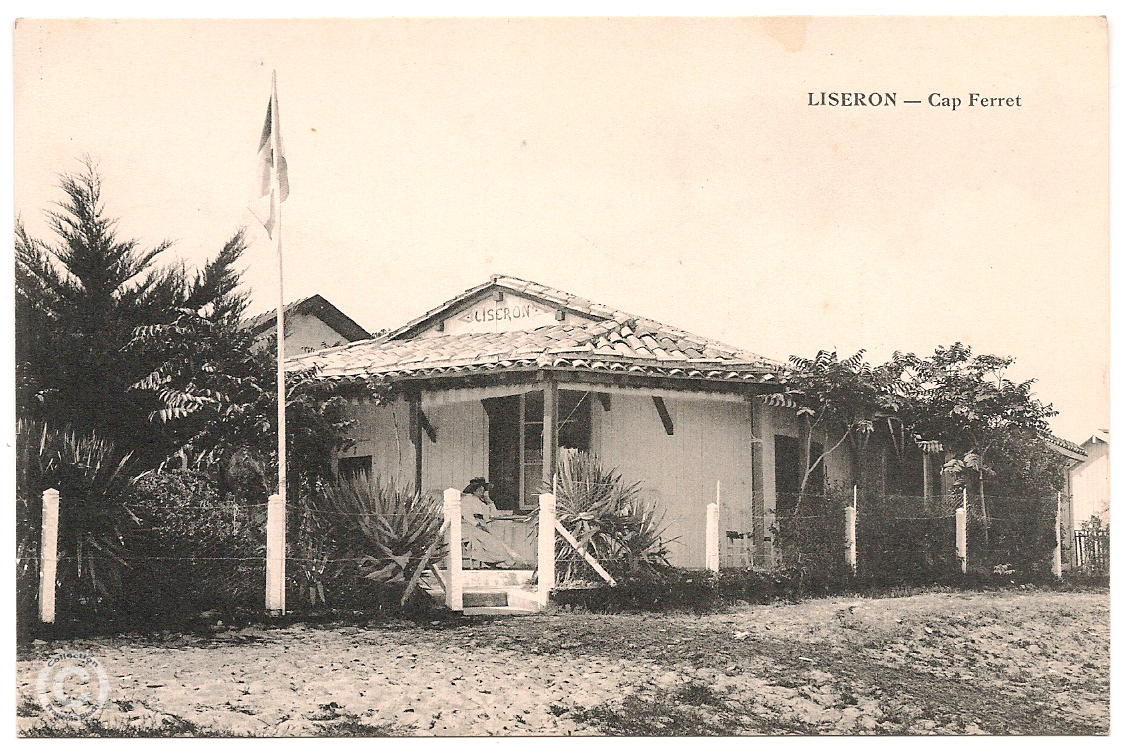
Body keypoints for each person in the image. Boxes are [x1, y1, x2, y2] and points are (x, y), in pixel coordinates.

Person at [460, 478, 522, 568]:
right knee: (489, 541)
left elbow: (494, 514)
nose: (481, 491)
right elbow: (466, 515)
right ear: (473, 490)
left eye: (482, 489)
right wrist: (477, 524)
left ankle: (504, 561)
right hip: (470, 527)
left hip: (481, 526)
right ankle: (500, 562)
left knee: (497, 541)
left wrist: (489, 501)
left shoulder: (482, 503)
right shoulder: (467, 500)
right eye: (479, 489)